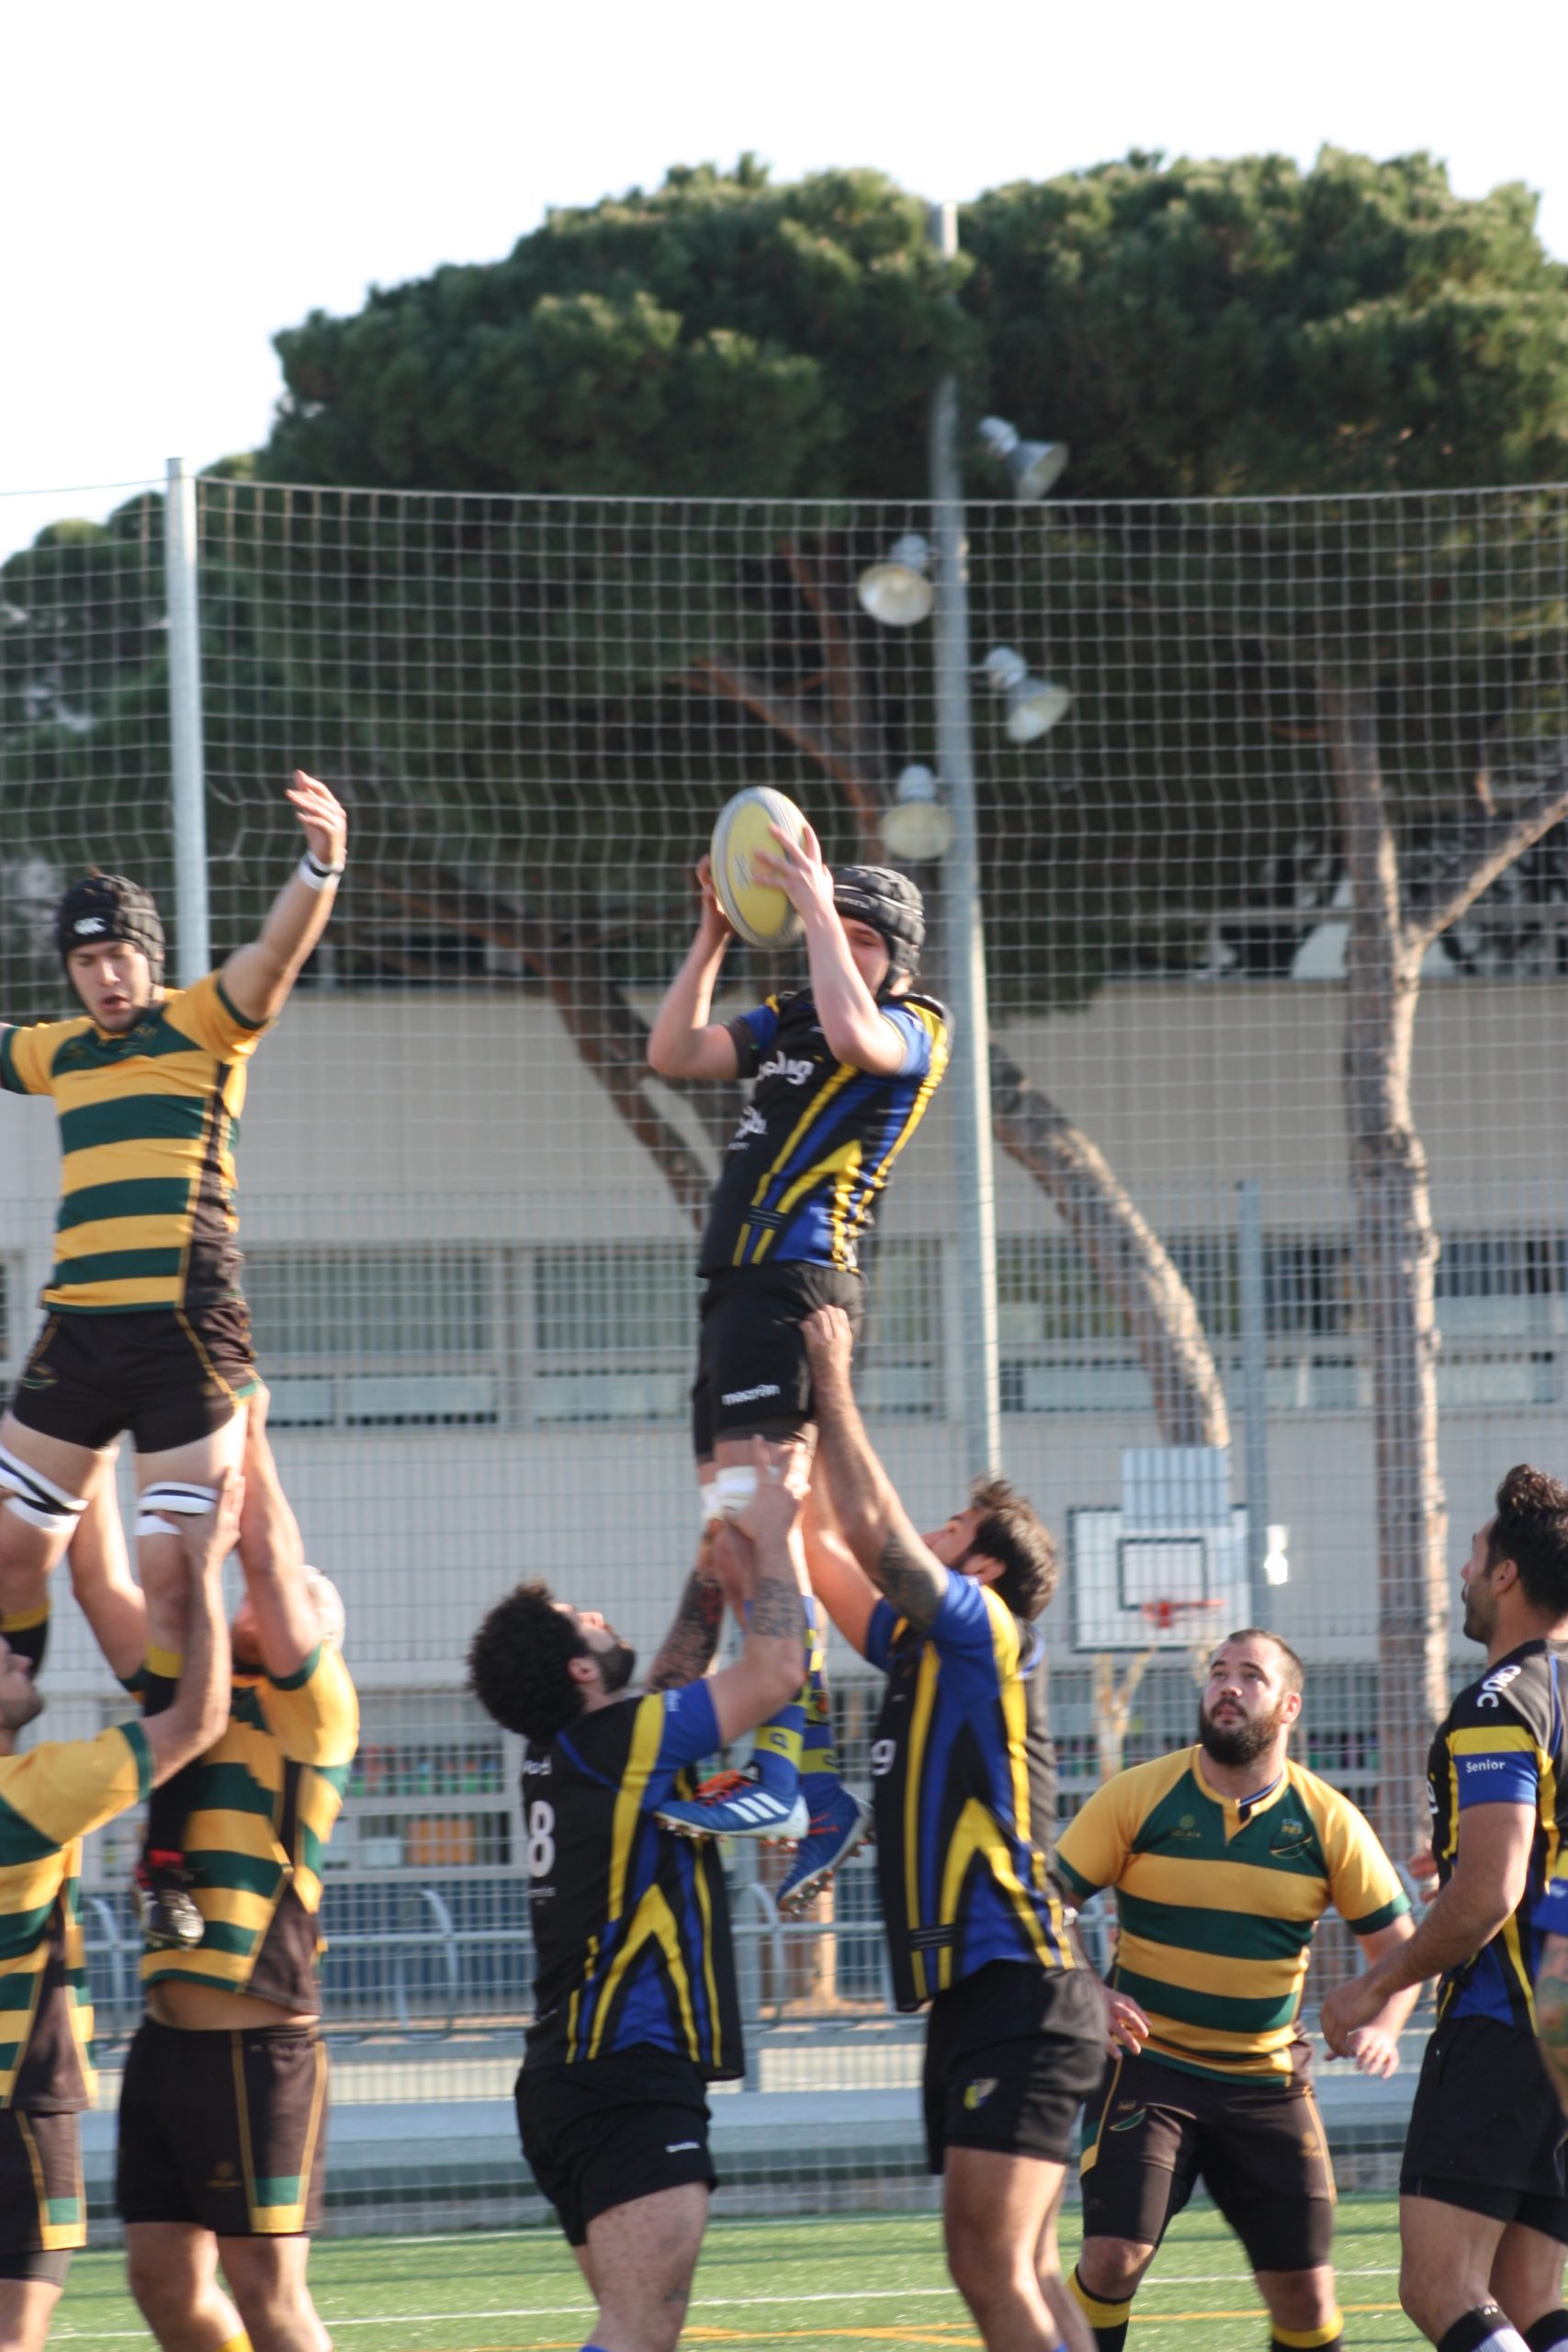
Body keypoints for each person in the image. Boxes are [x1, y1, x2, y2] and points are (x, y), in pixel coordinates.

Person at [0, 768, 347, 1947]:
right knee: (10, 1547)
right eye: (86, 961)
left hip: (187, 1337)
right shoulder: (57, 1053)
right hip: (77, 1333)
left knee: (170, 1593)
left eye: (120, 957)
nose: (105, 976)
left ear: (151, 961)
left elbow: (276, 956)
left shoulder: (203, 1023)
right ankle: (12, 1722)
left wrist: (319, 866)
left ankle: (163, 1858)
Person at [647, 827, 948, 1908]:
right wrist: (716, 928)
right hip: (732, 1293)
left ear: (897, 959)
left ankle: (780, 1771)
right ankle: (815, 1785)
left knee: (764, 1519)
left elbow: (866, 1038)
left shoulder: (912, 1022)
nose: (847, 948)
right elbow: (673, 1052)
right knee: (738, 1542)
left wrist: (821, 906)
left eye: (870, 938)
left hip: (797, 1284)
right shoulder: (784, 1019)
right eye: (840, 929)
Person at [797, 1303, 1105, 2352]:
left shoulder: (988, 1633)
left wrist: (832, 1373)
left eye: (951, 1529)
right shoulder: (922, 1653)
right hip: (988, 1996)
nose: (929, 1530)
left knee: (985, 2262)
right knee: (1013, 2265)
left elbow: (874, 1540)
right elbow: (824, 1550)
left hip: (1024, 1985)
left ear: (976, 1571)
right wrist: (782, 1436)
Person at [467, 1437, 808, 2352]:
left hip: (579, 2075)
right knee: (637, 2330)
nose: (601, 1617)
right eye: (588, 1621)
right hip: (621, 2072)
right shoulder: (611, 1749)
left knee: (636, 2329)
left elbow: (668, 1689)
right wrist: (776, 1543)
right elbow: (776, 1671)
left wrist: (708, 1581)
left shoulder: (575, 1750)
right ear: (581, 1670)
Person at [73, 1410, 358, 2352]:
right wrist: (83, 1437)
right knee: (158, 2279)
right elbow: (97, 1579)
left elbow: (275, 1570)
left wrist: (250, 1432)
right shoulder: (187, 1695)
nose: (281, 1595)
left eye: (310, 1597)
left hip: (256, 2046)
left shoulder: (313, 1714)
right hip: (164, 2043)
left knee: (265, 2287)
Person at [1055, 1628, 1416, 2352]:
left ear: (1287, 1706)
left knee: (1306, 2297)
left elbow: (1400, 1951)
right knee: (1112, 2257)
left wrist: (1384, 2025)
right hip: (1148, 2069)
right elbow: (1042, 1907)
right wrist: (1085, 1988)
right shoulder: (1138, 1794)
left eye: (1248, 1676)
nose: (1226, 1686)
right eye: (1217, 1672)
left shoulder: (1327, 1819)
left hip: (1266, 2083)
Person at [1321, 1465, 1568, 2352]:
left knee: (1438, 2285)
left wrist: (1366, 1990)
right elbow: (1528, 1857)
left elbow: (1494, 1892)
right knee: (1528, 2291)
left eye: (1472, 1556)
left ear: (1506, 1575)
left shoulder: (1502, 1701)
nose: (1462, 1573)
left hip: (1511, 2023)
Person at [0, 1472, 235, 2352]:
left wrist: (85, 1454)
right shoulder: (28, 1798)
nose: (22, 1653)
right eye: (4, 1655)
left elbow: (96, 1584)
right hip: (17, 2107)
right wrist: (208, 1566)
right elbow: (198, 1720)